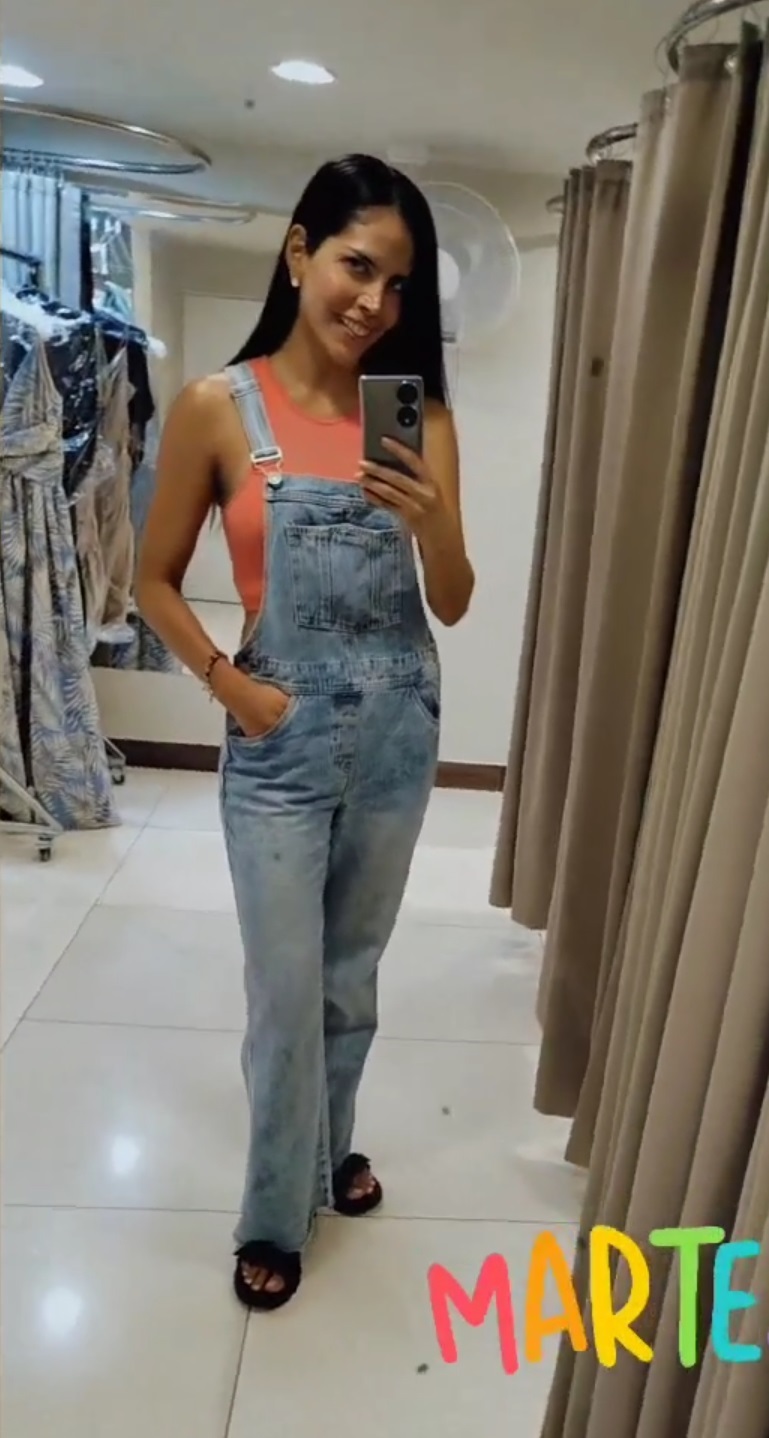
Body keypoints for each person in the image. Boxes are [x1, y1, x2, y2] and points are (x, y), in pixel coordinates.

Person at [136, 153, 474, 1310]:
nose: (373, 301)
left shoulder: (419, 418)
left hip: (396, 734)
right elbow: (150, 579)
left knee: (347, 978)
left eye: (397, 284)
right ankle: (277, 1212)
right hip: (276, 738)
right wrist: (230, 686)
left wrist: (434, 524)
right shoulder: (214, 408)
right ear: (298, 253)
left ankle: (329, 1153)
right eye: (356, 266)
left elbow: (454, 599)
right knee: (284, 995)